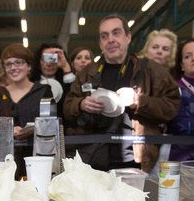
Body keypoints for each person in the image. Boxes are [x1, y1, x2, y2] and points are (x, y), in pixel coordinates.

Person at [64, 14, 181, 172]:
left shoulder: (151, 70)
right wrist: (81, 104)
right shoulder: (88, 72)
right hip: (92, 160)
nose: (110, 39)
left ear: (128, 37)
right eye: (104, 36)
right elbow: (67, 106)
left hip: (134, 161)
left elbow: (172, 105)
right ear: (100, 43)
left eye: (116, 33)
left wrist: (138, 101)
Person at [0, 43, 53, 178]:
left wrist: (29, 130)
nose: (13, 67)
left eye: (18, 62)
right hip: (5, 162)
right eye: (8, 64)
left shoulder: (44, 91)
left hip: (38, 158)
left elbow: (52, 125)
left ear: (29, 66)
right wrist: (9, 130)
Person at [30, 43, 75, 115]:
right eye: (45, 59)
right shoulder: (31, 83)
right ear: (39, 61)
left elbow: (73, 99)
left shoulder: (66, 82)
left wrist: (65, 66)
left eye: (52, 59)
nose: (49, 64)